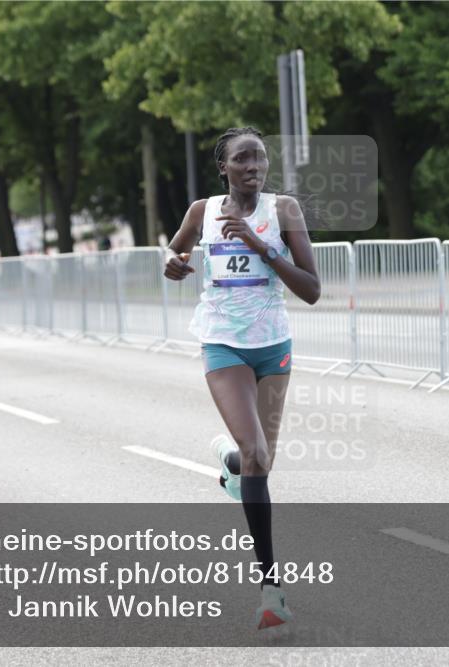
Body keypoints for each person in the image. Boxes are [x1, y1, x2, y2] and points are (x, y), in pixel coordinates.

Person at [163, 126, 320, 630]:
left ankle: (230, 460)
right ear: (224, 168)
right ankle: (270, 589)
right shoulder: (201, 211)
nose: (254, 166)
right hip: (223, 342)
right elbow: (175, 250)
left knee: (259, 460)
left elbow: (312, 289)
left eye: (260, 158)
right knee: (257, 454)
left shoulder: (284, 210)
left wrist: (258, 242)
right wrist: (173, 262)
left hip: (272, 344)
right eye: (243, 159)